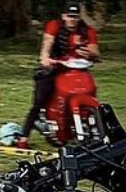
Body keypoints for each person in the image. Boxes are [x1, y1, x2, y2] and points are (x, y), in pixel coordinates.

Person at [23, 2, 99, 142]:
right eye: (70, 16)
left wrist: (90, 53)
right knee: (40, 100)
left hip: (77, 70)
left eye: (75, 17)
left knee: (91, 89)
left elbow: (95, 50)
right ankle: (24, 137)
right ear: (63, 16)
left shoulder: (86, 30)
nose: (72, 19)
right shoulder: (54, 26)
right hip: (55, 67)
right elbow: (47, 43)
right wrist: (45, 58)